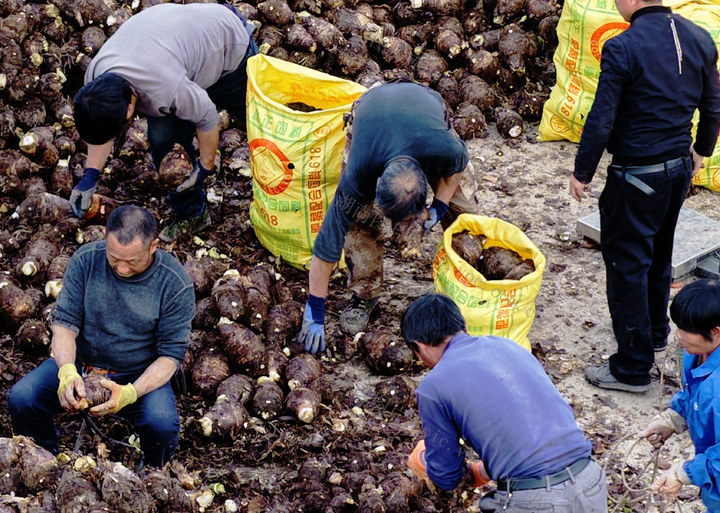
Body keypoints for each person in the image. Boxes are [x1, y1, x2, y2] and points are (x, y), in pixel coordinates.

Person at [569, 0, 720, 393]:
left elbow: (602, 118)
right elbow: (713, 106)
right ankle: (655, 331)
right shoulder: (698, 38)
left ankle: (632, 368)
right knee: (658, 251)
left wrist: (582, 171)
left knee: (627, 265)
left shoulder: (623, 47)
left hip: (636, 175)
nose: (617, 0)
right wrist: (700, 151)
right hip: (676, 171)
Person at [7, 205, 195, 467]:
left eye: (132, 261)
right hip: (82, 364)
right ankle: (44, 461)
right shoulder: (86, 260)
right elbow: (64, 325)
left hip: (138, 374)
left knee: (161, 426)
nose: (121, 269)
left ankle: (150, 474)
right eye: (114, 257)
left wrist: (130, 393)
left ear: (153, 246)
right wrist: (67, 372)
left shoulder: (175, 283)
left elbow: (170, 356)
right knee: (22, 398)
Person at [298, 81, 474, 353]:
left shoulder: (444, 149)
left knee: (465, 213)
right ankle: (365, 292)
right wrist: (315, 309)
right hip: (371, 112)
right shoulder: (358, 176)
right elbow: (326, 246)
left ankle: (471, 283)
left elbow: (456, 172)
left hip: (424, 106)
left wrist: (440, 205)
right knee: (359, 222)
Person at [402, 294, 607, 512]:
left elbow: (447, 477)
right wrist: (482, 472)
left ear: (420, 347)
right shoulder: (510, 346)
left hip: (535, 501)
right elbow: (528, 429)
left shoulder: (433, 387)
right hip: (591, 481)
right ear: (463, 326)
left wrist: (425, 462)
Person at [71, 2, 257, 242]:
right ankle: (192, 213)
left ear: (130, 107)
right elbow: (101, 130)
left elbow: (208, 117)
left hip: (229, 49)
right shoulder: (95, 84)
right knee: (163, 141)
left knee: (262, 121)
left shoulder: (164, 87)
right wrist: (89, 177)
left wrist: (204, 166)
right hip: (175, 52)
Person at [640, 279, 720, 510]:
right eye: (678, 326)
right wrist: (674, 419)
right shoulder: (695, 353)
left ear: (715, 332)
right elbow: (693, 393)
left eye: (686, 330)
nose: (678, 335)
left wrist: (685, 473)